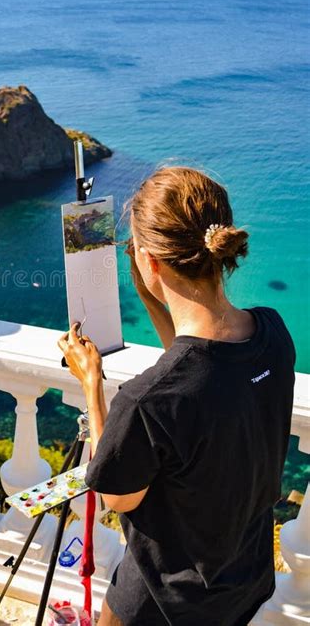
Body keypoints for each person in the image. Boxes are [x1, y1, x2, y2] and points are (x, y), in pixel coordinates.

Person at [58, 166, 295, 626]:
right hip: (241, 576)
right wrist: (152, 297)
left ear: (149, 261)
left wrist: (92, 384)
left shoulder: (147, 401)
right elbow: (201, 367)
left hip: (164, 599)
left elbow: (114, 494)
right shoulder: (272, 333)